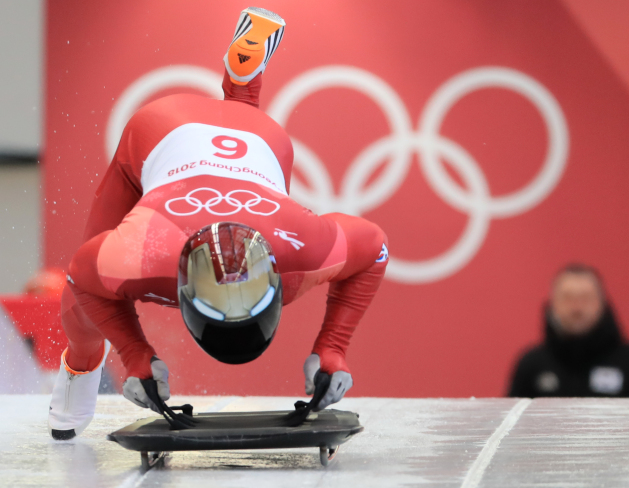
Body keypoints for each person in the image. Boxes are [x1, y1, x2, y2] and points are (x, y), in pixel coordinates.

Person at [48, 7, 388, 440]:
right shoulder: (145, 252)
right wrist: (133, 352)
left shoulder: (297, 250)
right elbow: (81, 280)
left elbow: (375, 250)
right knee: (81, 309)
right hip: (180, 135)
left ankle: (243, 90)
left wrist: (333, 350)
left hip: (245, 133)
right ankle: (81, 364)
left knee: (96, 284)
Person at [508, 264, 629, 398]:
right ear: (552, 304)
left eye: (586, 298)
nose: (577, 308)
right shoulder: (531, 365)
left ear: (602, 303)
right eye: (567, 298)